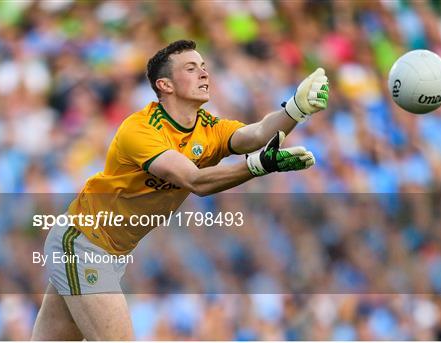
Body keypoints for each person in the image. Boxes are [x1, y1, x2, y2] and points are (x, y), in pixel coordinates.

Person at [31, 39, 329, 340]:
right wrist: (258, 166)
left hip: (107, 250)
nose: (203, 74)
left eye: (203, 67)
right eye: (191, 68)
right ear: (166, 85)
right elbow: (195, 181)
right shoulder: (141, 129)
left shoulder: (208, 127)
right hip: (83, 242)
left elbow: (258, 133)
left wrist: (295, 109)